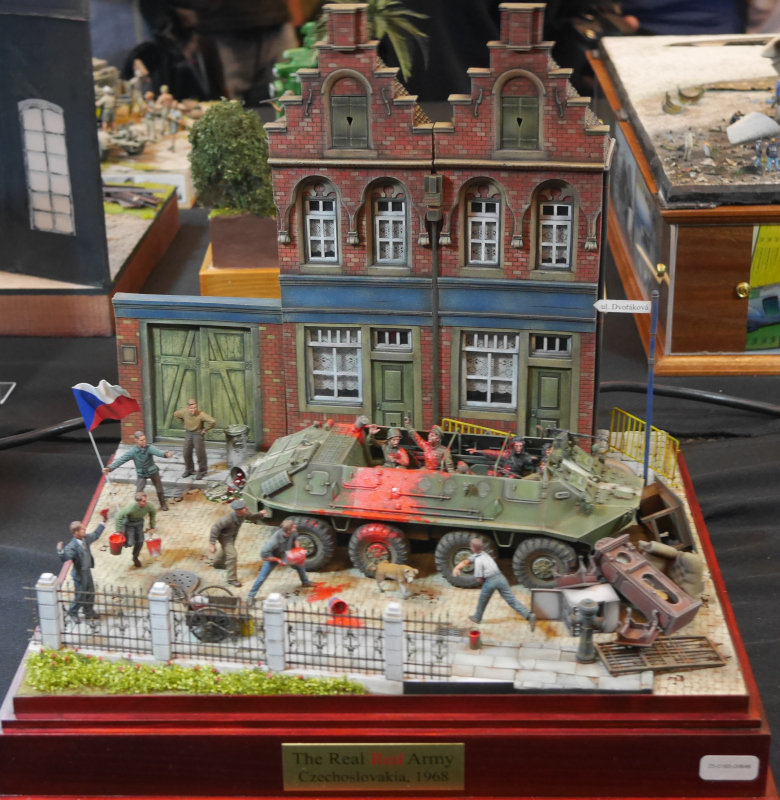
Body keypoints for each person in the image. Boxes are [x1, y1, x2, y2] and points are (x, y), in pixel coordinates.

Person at [453, 537, 536, 628]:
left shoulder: (478, 561)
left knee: (482, 600)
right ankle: (529, 615)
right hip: (501, 578)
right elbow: (466, 562)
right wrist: (457, 567)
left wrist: (482, 582)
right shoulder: (485, 554)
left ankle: (477, 617)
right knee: (511, 600)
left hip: (490, 581)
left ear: (472, 548)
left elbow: (479, 579)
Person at [57, 509, 109, 621]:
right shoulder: (72, 546)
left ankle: (88, 610)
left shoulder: (85, 538)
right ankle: (73, 612)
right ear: (76, 533)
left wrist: (103, 521)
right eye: (82, 529)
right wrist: (60, 551)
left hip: (87, 571)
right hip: (80, 574)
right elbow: (66, 558)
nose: (84, 529)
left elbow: (95, 535)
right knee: (80, 595)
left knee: (90, 592)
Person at [104, 431, 173, 511]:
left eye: (144, 439)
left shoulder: (149, 448)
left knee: (159, 489)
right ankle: (139, 507)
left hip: (152, 471)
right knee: (139, 492)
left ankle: (163, 503)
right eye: (141, 440)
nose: (144, 441)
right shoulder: (133, 452)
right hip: (142, 474)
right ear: (136, 440)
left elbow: (158, 452)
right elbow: (121, 460)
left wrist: (165, 454)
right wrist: (109, 468)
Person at [247, 518, 312, 601]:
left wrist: (298, 552)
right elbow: (264, 555)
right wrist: (277, 560)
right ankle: (250, 596)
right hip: (275, 556)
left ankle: (305, 582)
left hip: (287, 554)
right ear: (288, 531)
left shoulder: (293, 531)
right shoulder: (274, 541)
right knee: (262, 577)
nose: (295, 526)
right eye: (293, 526)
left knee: (300, 565)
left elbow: (295, 539)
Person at [209, 498, 269, 587]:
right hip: (225, 538)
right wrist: (212, 543)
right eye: (243, 508)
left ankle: (217, 564)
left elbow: (251, 517)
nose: (246, 508)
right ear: (238, 511)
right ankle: (231, 579)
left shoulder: (244, 513)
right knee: (232, 555)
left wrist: (261, 514)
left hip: (232, 535)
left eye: (245, 506)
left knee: (227, 550)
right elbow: (215, 528)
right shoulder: (227, 519)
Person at [174, 398, 216, 479]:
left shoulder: (201, 414)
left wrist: (205, 429)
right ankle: (189, 470)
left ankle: (202, 471)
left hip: (198, 434)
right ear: (188, 407)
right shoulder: (184, 412)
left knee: (200, 454)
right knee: (186, 453)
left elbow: (213, 421)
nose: (193, 410)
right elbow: (175, 414)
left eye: (195, 408)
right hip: (188, 434)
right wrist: (184, 424)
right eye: (191, 408)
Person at [115, 492, 157, 568]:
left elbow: (153, 513)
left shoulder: (149, 506)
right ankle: (124, 542)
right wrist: (118, 531)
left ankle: (135, 557)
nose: (146, 502)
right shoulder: (130, 508)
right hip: (129, 524)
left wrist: (152, 527)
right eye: (143, 501)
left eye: (146, 500)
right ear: (138, 502)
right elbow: (118, 517)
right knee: (130, 543)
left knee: (140, 541)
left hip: (139, 524)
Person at [467, 436, 537, 478]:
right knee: (490, 473)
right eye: (516, 446)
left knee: (511, 478)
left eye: (520, 446)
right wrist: (477, 451)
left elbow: (529, 458)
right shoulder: (507, 454)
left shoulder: (524, 456)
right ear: (513, 446)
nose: (519, 448)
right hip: (504, 474)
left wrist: (533, 459)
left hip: (515, 477)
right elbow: (493, 453)